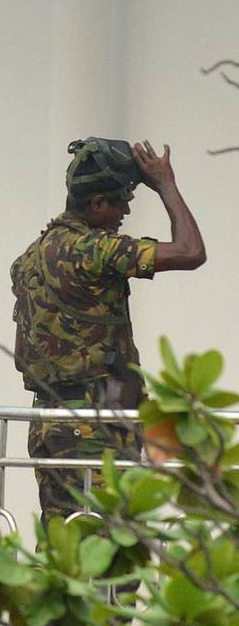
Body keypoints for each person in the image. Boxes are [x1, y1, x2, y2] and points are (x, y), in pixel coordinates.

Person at [11, 138, 205, 520]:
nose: (126, 211)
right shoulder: (96, 250)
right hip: (98, 426)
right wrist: (165, 184)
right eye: (122, 201)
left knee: (64, 550)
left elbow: (22, 355)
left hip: (50, 423)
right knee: (113, 553)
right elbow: (190, 251)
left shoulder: (28, 259)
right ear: (97, 204)